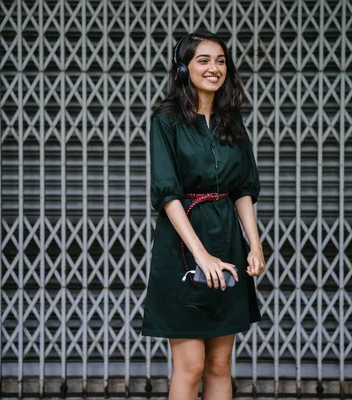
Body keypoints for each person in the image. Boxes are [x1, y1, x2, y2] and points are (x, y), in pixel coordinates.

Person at [141, 31, 265, 400]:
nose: (214, 68)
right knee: (192, 363)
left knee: (219, 365)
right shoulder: (166, 121)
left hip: (226, 239)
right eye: (203, 60)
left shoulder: (231, 120)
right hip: (182, 246)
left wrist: (254, 246)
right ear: (184, 68)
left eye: (220, 60)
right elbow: (168, 193)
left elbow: (242, 188)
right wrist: (201, 255)